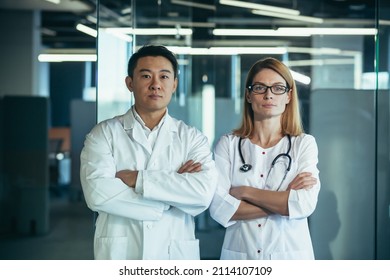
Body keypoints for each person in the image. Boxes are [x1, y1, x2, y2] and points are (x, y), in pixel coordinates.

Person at [80, 45, 218, 260]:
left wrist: (138, 179)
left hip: (174, 253)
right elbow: (97, 194)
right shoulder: (104, 134)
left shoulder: (192, 138)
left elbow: (202, 194)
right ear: (130, 83)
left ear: (174, 85)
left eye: (164, 77)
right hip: (121, 253)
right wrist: (171, 198)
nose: (156, 85)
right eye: (146, 76)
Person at [209, 57, 320, 260]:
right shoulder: (228, 144)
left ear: (288, 96)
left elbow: (304, 204)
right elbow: (219, 209)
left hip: (289, 258)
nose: (269, 95)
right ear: (249, 95)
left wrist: (245, 192)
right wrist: (283, 201)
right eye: (260, 87)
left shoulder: (303, 144)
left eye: (278, 88)